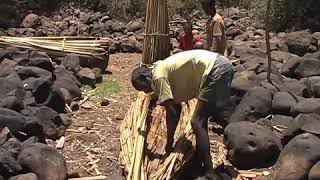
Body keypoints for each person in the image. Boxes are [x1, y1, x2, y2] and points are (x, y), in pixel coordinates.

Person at [131, 49, 234, 178]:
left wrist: (169, 144)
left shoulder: (158, 77)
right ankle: (237, 145)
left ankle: (209, 171)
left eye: (143, 88)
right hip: (221, 65)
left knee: (197, 122)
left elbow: (172, 111)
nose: (146, 92)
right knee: (212, 113)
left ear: (144, 78)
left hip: (215, 70)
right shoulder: (158, 67)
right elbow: (177, 108)